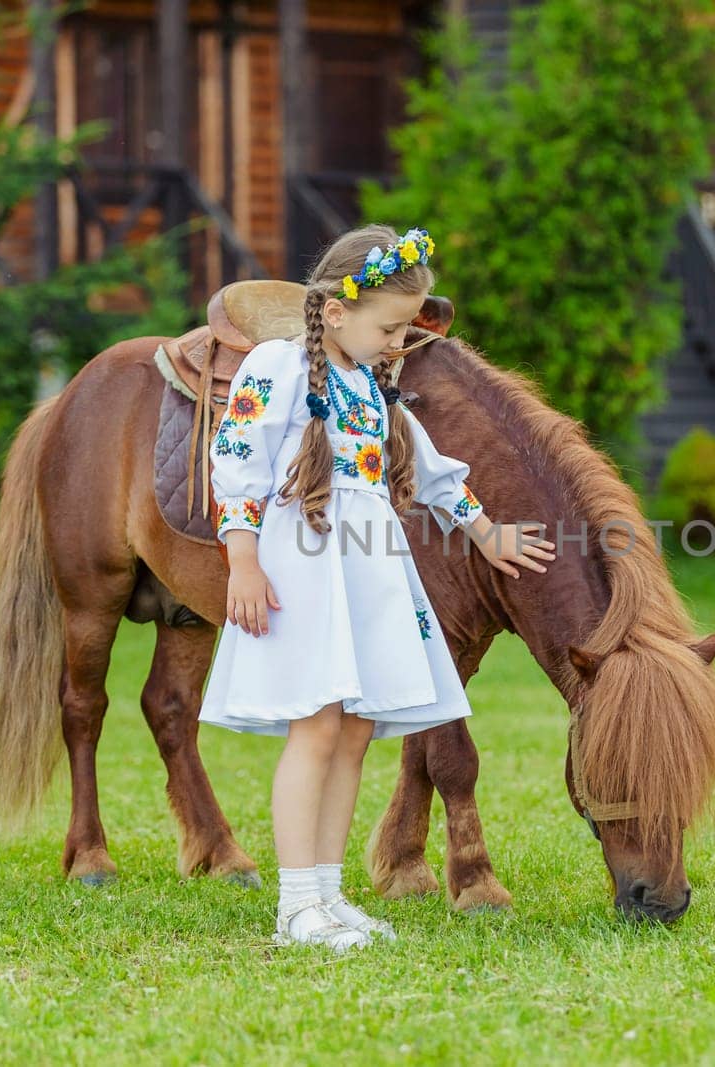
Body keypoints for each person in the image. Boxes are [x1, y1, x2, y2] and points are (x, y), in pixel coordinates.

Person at [200, 224, 556, 952]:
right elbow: (235, 456)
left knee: (357, 727)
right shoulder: (278, 366)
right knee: (319, 724)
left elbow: (428, 470)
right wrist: (242, 558)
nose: (398, 341)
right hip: (304, 564)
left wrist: (488, 532)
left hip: (369, 568)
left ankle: (329, 894)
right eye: (389, 326)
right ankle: (296, 904)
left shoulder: (371, 386)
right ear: (335, 311)